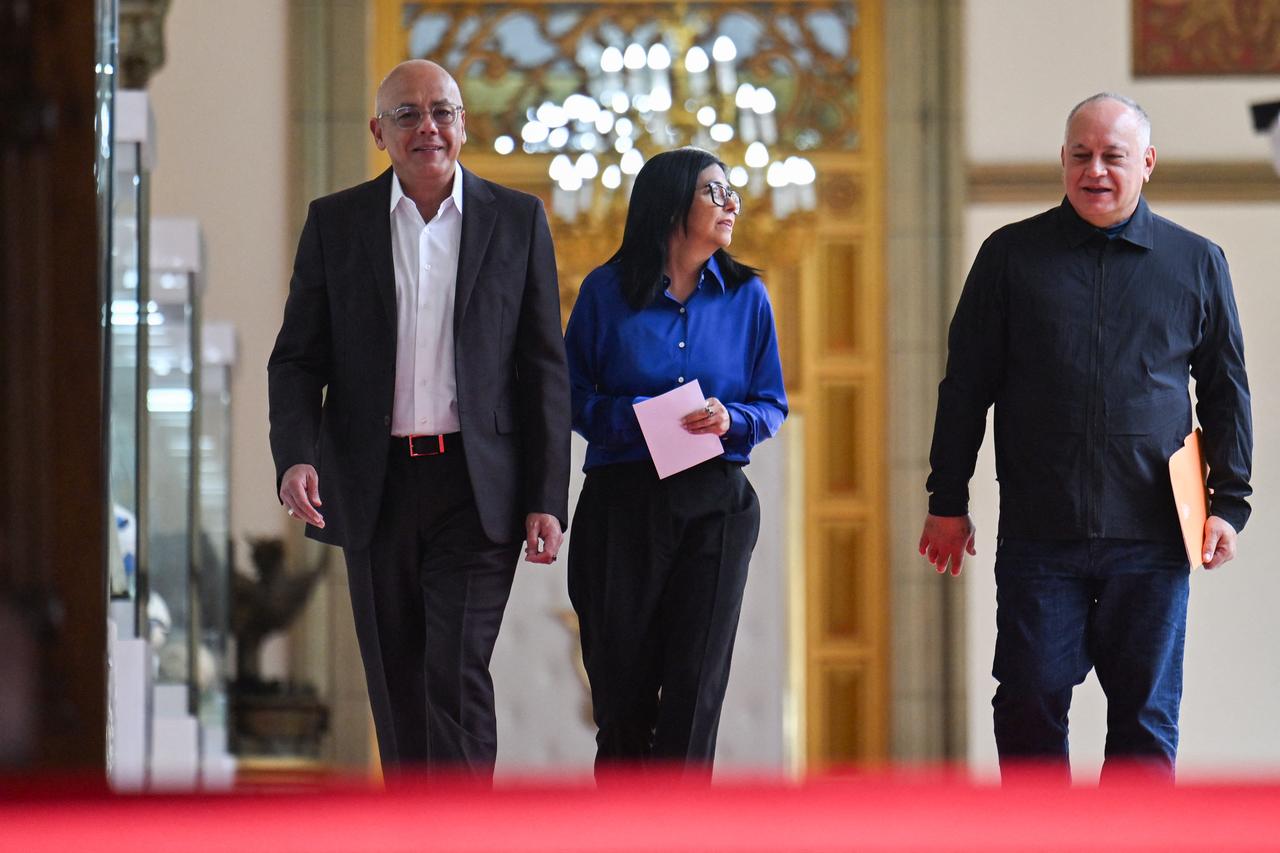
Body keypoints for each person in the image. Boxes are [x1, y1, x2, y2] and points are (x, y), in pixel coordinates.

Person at [920, 93, 1252, 783]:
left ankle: (1133, 836)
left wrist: (1229, 503)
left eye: (1112, 156)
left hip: (1155, 533)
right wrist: (947, 500)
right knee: (1029, 703)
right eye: (1081, 155)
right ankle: (1040, 834)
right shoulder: (1009, 256)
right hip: (1041, 533)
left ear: (1147, 162)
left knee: (1146, 717)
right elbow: (966, 387)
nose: (1094, 170)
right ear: (1062, 160)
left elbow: (1225, 391)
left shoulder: (1196, 261)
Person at [268, 60, 570, 776]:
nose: (427, 127)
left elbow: (542, 367)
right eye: (407, 114)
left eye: (442, 112)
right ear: (379, 132)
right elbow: (298, 359)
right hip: (374, 486)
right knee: (397, 681)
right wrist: (297, 454)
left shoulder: (517, 220)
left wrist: (546, 496)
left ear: (463, 125)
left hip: (476, 487)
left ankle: (461, 826)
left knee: (455, 670)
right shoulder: (336, 223)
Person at [563, 147, 788, 774]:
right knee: (622, 697)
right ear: (669, 204)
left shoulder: (748, 296)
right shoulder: (605, 292)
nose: (732, 203)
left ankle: (683, 823)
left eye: (732, 191)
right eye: (715, 192)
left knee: (695, 691)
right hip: (624, 500)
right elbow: (570, 398)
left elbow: (771, 403)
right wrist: (637, 415)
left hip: (717, 502)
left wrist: (731, 419)